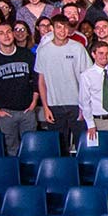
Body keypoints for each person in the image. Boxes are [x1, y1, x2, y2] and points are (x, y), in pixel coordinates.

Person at [0, 26, 40, 153]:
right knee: (11, 150)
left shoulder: (26, 54)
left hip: (27, 110)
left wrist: (34, 102)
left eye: (8, 32)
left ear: (13, 34)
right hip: (5, 112)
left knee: (31, 148)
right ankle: (14, 173)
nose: (6, 36)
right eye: (1, 33)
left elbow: (37, 80)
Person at [34, 15, 90, 151]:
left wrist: (85, 106)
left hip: (77, 105)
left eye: (65, 27)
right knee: (59, 147)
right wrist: (46, 107)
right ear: (52, 28)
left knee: (82, 145)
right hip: (54, 105)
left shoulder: (78, 48)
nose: (62, 30)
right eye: (58, 27)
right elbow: (41, 81)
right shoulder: (43, 51)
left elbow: (87, 78)